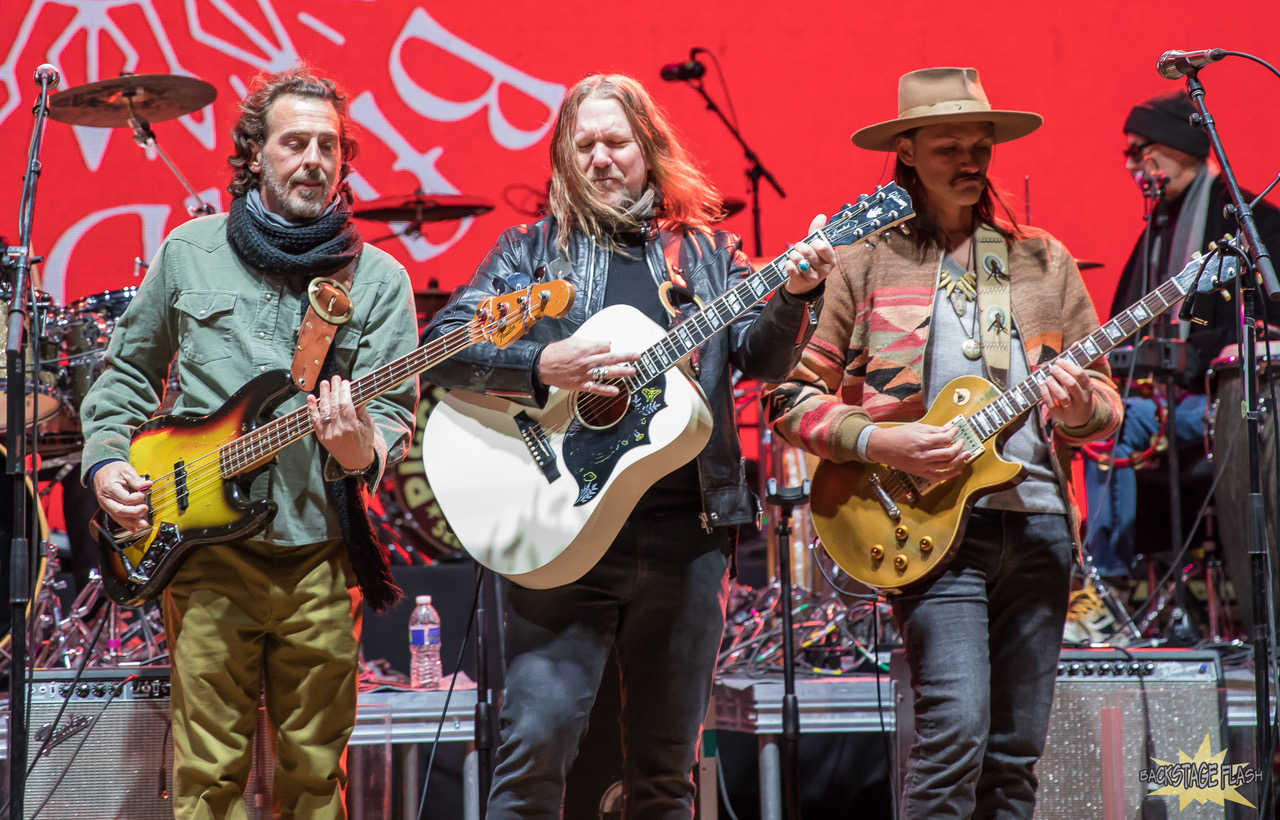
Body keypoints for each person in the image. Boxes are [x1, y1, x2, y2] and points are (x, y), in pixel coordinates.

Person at [420, 73, 834, 817]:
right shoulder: (528, 251)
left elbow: (763, 358)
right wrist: (541, 365)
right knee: (533, 754)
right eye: (585, 146)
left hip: (686, 540)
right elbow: (442, 345)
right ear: (563, 158)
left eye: (617, 142)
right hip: (561, 534)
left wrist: (797, 296)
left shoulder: (708, 254)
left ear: (649, 150)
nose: (602, 158)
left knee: (665, 777)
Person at [762, 67, 1123, 820]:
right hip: (929, 531)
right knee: (953, 736)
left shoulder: (1042, 260)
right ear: (906, 153)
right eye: (949, 147)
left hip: (1037, 525)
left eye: (980, 147)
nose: (970, 161)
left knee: (1016, 757)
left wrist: (1084, 403)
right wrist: (880, 443)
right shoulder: (864, 260)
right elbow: (788, 398)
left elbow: (1105, 409)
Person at [80, 66, 418, 819]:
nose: (313, 160)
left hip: (323, 557)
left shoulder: (379, 279)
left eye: (328, 145)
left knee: (313, 780)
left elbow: (392, 411)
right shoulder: (188, 252)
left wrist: (364, 449)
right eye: (294, 143)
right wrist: (106, 463)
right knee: (208, 778)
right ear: (253, 155)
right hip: (205, 554)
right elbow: (125, 376)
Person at [1079, 90, 1280, 638]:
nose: (1130, 165)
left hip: (1231, 404)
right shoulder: (1158, 231)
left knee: (1116, 430)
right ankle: (1101, 584)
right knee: (1101, 418)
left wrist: (1191, 357)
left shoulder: (1251, 225)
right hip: (1162, 403)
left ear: (1181, 147)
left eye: (1139, 150)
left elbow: (1267, 317)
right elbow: (1125, 326)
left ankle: (1110, 590)